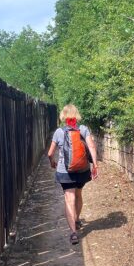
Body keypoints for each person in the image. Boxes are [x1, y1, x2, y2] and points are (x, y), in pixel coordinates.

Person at [48, 104, 99, 244]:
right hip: (82, 170)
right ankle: (76, 219)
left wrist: (52, 162)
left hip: (65, 172)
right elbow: (92, 146)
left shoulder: (59, 132)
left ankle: (73, 233)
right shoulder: (83, 129)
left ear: (63, 116)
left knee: (69, 198)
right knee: (78, 194)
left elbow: (50, 153)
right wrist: (95, 165)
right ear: (76, 115)